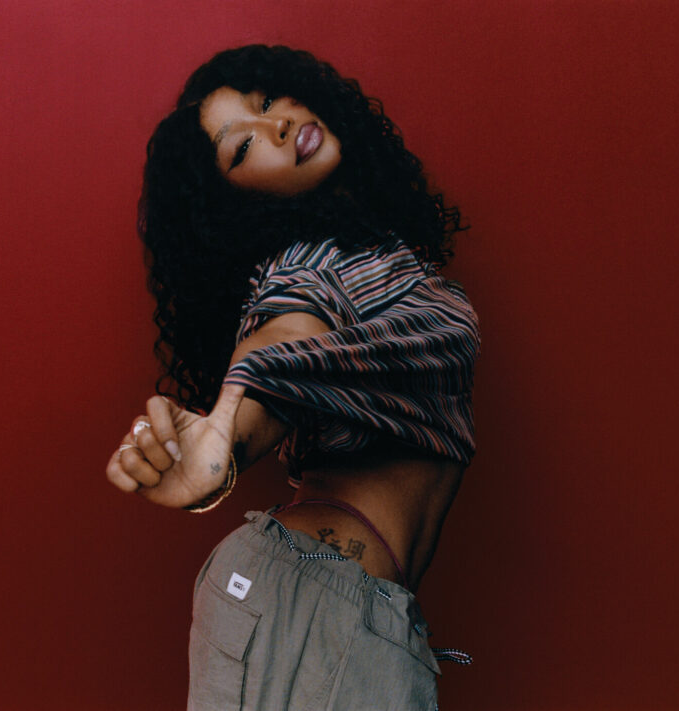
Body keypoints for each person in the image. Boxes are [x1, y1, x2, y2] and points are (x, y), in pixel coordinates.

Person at [105, 45, 478, 711]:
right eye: (242, 148)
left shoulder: (376, 256)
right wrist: (225, 440)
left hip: (320, 603)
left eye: (267, 100)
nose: (275, 125)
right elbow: (285, 339)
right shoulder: (305, 268)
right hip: (310, 605)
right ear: (236, 203)